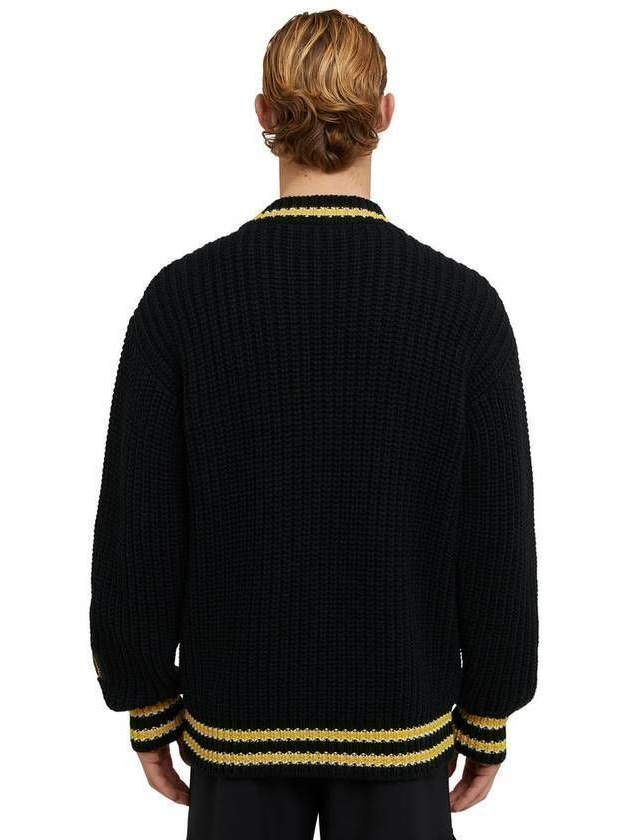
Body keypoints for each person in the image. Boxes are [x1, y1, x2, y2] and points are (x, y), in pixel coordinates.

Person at [90, 9, 538, 840]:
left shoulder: (180, 302)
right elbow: (496, 536)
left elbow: (138, 529)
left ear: (264, 112)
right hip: (402, 726)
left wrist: (146, 701)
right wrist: (490, 713)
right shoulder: (464, 309)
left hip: (235, 726)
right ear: (386, 114)